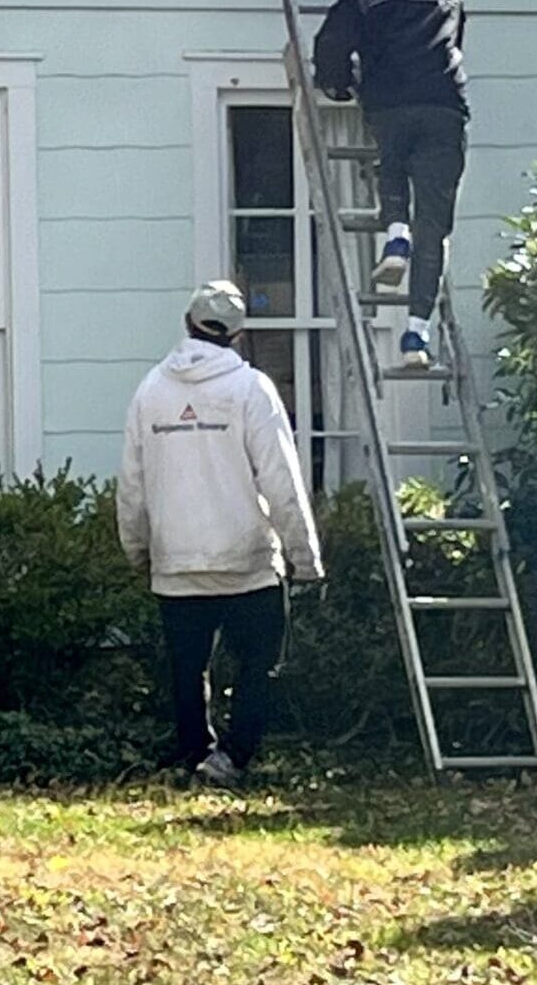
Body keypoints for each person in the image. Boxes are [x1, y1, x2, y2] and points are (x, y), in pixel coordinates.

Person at [118, 280, 324, 788]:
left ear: (187, 323)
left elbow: (132, 484)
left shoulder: (151, 391)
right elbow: (281, 480)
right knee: (259, 666)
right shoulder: (251, 390)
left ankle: (195, 754)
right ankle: (233, 756)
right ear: (238, 334)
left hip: (177, 563)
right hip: (248, 561)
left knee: (187, 673)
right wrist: (304, 555)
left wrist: (137, 549)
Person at [310, 0, 467, 368]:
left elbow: (330, 45)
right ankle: (416, 336)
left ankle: (395, 234)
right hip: (445, 106)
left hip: (390, 101)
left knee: (392, 164)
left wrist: (337, 85)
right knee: (435, 226)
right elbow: (457, 43)